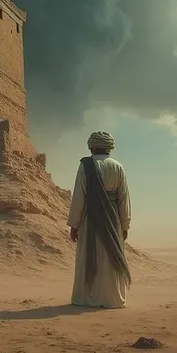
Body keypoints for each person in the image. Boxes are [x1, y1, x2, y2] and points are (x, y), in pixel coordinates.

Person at [67, 131, 131, 309]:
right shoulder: (118, 166)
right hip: (113, 219)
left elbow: (79, 196)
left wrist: (74, 224)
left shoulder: (86, 165)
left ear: (92, 147)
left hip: (91, 218)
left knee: (90, 254)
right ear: (109, 147)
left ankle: (87, 298)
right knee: (110, 257)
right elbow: (124, 198)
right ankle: (112, 299)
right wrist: (124, 224)